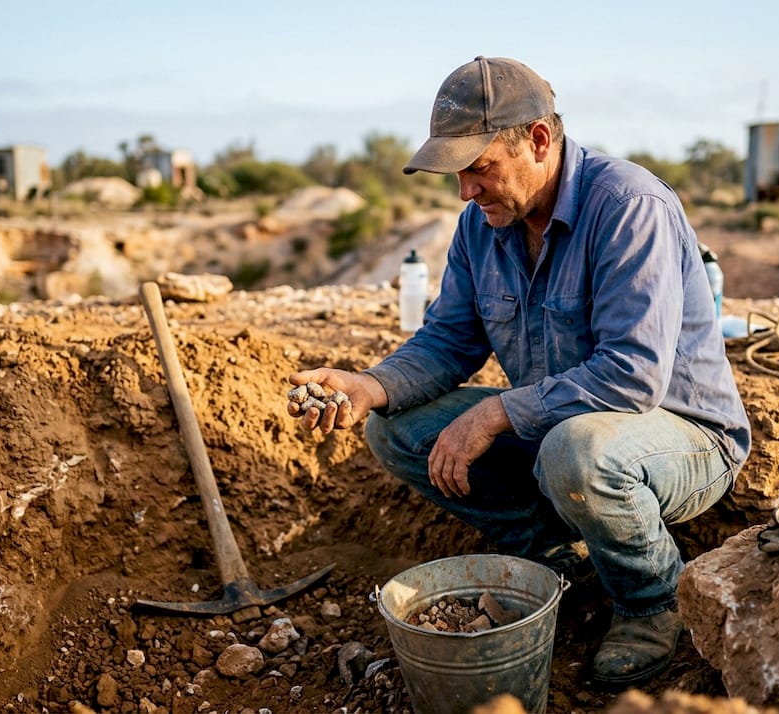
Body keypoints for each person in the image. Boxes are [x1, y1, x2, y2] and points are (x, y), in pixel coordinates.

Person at [286, 56, 750, 688]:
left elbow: (632, 375)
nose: (465, 192)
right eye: (457, 175)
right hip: (562, 434)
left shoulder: (628, 206)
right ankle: (563, 558)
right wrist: (369, 386)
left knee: (575, 451)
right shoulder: (482, 228)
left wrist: (497, 412)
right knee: (394, 429)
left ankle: (650, 601)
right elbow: (450, 339)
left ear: (537, 139)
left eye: (479, 169)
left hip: (682, 439)